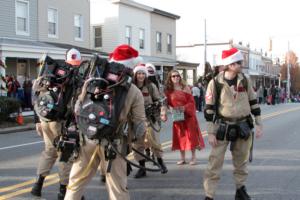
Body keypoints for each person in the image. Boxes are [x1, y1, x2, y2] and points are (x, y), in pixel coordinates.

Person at [64, 44, 146, 200]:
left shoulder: (91, 82)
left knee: (75, 183)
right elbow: (140, 125)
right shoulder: (134, 91)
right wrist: (134, 143)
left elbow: (77, 108)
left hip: (87, 139)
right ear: (132, 66)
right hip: (114, 144)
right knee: (117, 187)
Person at [203, 47, 263, 200]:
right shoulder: (215, 82)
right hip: (223, 126)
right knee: (214, 163)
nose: (240, 65)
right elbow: (209, 110)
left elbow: (253, 102)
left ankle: (240, 190)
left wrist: (259, 123)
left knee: (241, 162)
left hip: (243, 125)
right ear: (229, 64)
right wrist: (210, 133)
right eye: (237, 62)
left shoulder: (245, 80)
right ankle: (209, 195)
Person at [31, 48, 82, 200]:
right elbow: (76, 104)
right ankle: (63, 190)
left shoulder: (49, 75)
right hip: (61, 122)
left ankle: (37, 185)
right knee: (65, 154)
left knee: (49, 151)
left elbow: (36, 97)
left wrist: (37, 121)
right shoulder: (74, 79)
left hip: (44, 119)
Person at [162, 70, 205, 165]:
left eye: (177, 76)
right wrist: (167, 111)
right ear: (170, 78)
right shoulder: (168, 91)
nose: (176, 77)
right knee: (180, 137)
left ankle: (193, 158)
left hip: (188, 116)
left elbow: (192, 102)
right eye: (173, 76)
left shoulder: (185, 88)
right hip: (177, 116)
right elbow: (166, 103)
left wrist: (184, 108)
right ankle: (182, 158)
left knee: (191, 137)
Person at [132, 64, 168, 178]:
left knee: (154, 142)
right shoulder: (131, 87)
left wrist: (158, 109)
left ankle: (161, 163)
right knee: (138, 145)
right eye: (138, 73)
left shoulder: (151, 86)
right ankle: (142, 168)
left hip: (150, 119)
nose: (141, 76)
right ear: (135, 74)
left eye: (143, 73)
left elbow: (159, 100)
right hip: (135, 120)